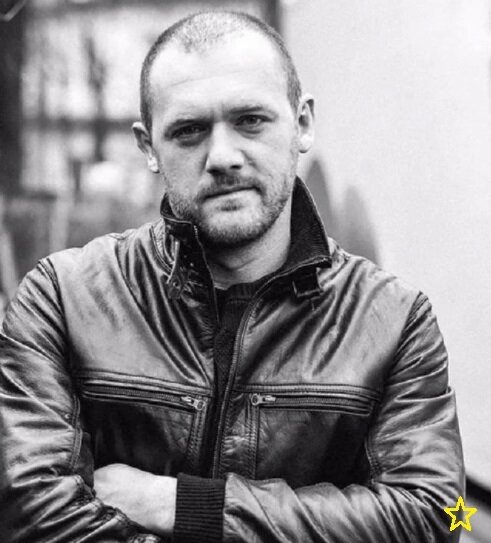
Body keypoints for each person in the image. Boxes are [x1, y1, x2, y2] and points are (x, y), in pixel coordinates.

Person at [0, 10, 464, 543]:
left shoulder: (394, 320)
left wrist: (188, 505)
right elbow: (27, 508)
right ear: (148, 148)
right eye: (189, 131)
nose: (222, 157)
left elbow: (444, 517)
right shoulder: (64, 297)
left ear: (303, 124)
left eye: (251, 120)